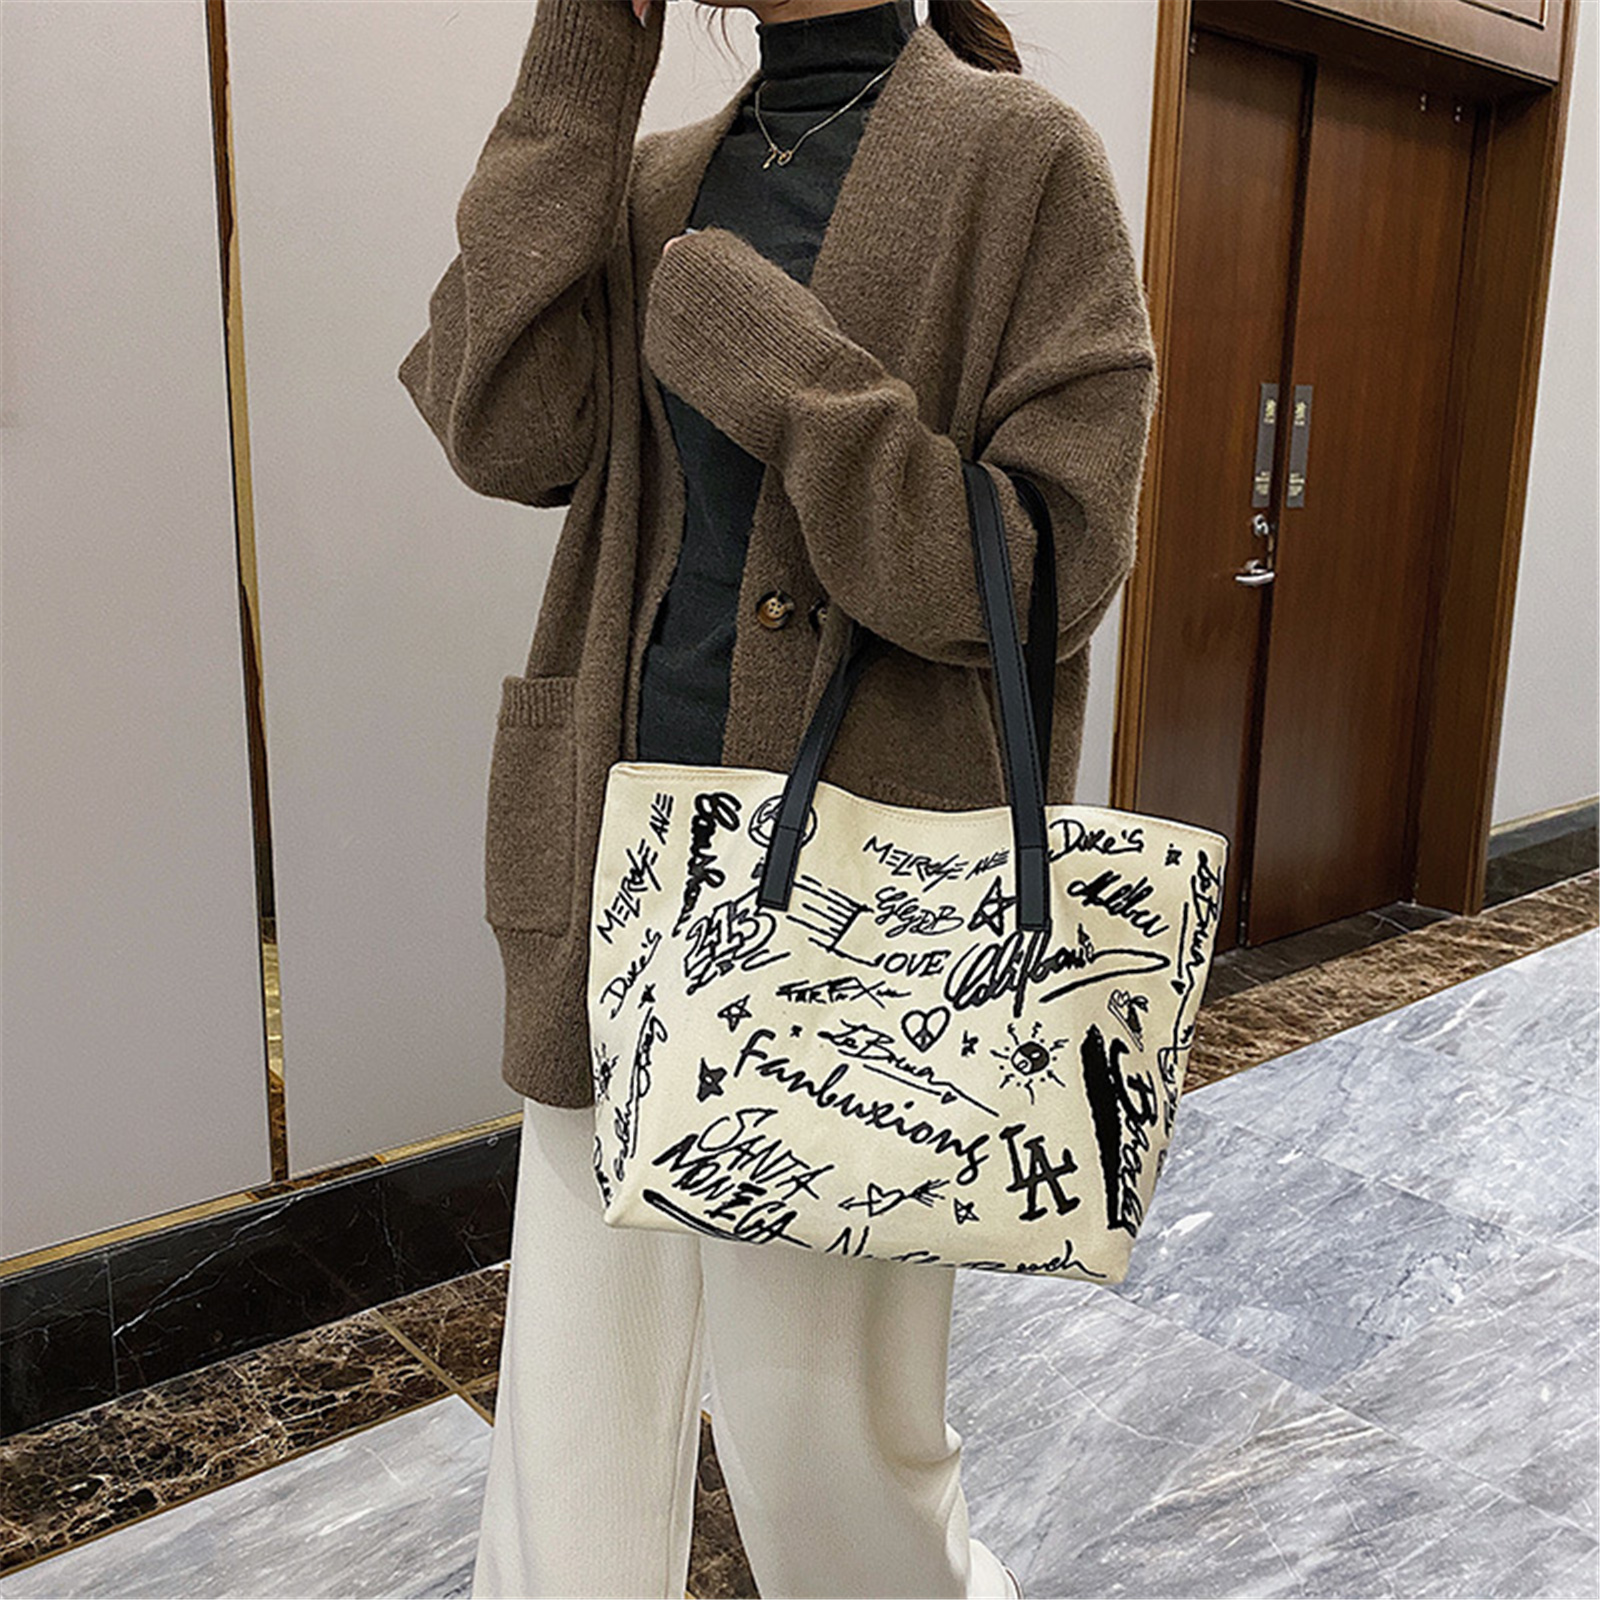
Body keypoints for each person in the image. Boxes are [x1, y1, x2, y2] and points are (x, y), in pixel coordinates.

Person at [398, 0, 1159, 1593]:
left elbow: (1050, 575)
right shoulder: (651, 177)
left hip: (857, 910)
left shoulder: (1024, 161)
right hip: (614, 872)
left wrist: (800, 383)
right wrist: (580, 56)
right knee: (574, 1427)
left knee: (826, 1444)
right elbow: (499, 423)